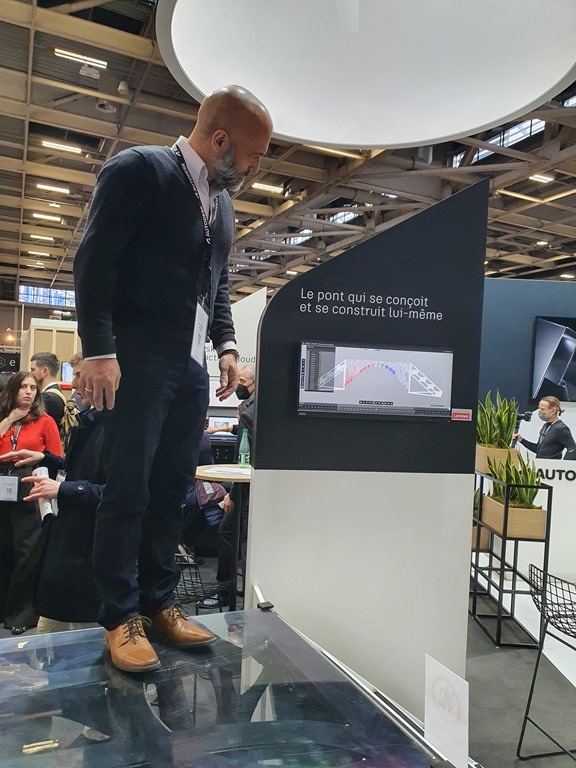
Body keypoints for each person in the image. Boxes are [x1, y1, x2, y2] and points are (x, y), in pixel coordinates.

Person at [73, 84, 273, 672]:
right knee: (128, 489)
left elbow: (217, 284)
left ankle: (159, 603)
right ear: (220, 139)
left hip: (188, 369)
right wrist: (98, 350)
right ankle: (120, 615)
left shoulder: (222, 203)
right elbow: (94, 261)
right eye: (253, 155)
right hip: (134, 359)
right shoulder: (140, 170)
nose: (256, 168)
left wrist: (226, 346)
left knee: (171, 490)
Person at [1, 355, 105, 633]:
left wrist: (62, 488)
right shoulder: (89, 420)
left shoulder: (112, 428)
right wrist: (44, 457)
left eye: (79, 375)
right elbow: (73, 468)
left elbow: (118, 492)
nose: (73, 384)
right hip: (65, 531)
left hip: (84, 542)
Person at [0, 371, 62, 634]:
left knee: (27, 552)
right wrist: (9, 419)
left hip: (30, 488)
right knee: (3, 549)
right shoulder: (4, 419)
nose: (28, 392)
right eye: (23, 387)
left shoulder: (45, 421)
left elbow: (57, 459)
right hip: (2, 486)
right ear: (12, 390)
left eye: (33, 387)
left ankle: (21, 613)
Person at [216, 364, 256, 600]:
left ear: (253, 383)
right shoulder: (259, 407)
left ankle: (225, 592)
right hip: (260, 487)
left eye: (241, 381)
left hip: (246, 489)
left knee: (227, 533)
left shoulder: (248, 414)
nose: (238, 385)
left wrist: (232, 495)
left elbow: (244, 460)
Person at [30, 352, 65, 428]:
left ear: (44, 371)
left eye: (33, 370)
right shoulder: (56, 394)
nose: (30, 374)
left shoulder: (47, 398)